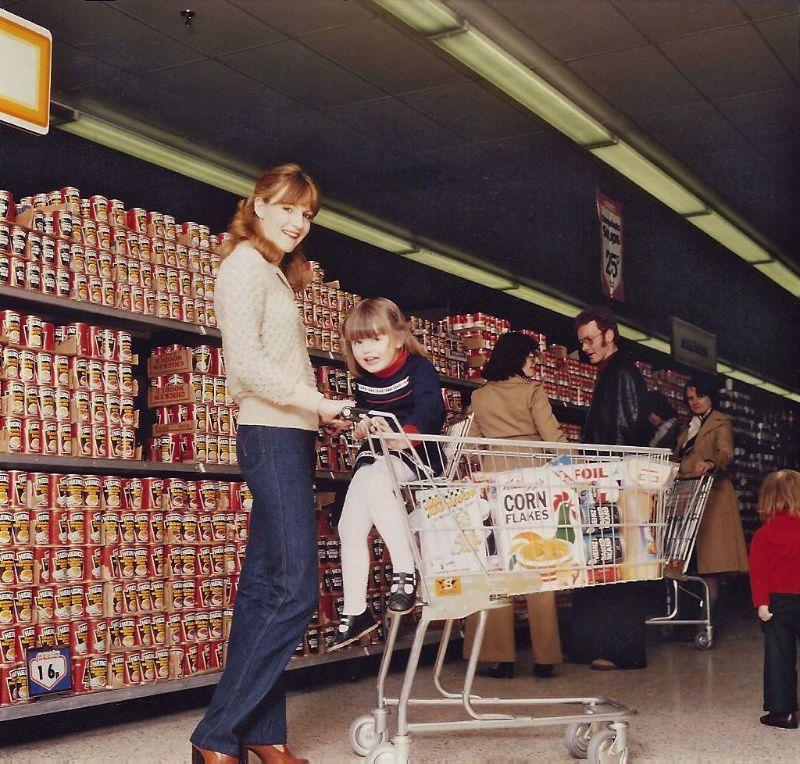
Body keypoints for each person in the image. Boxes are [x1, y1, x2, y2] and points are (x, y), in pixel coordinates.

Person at [191, 164, 353, 764]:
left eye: (306, 214)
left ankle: (263, 734)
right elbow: (248, 366)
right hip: (269, 435)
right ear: (257, 204)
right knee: (294, 591)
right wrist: (316, 402)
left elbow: (282, 363)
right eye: (287, 208)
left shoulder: (272, 273)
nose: (297, 222)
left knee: (264, 590)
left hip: (291, 434)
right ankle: (215, 735)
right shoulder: (243, 267)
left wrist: (319, 413)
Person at [329, 297, 446, 650]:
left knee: (377, 479)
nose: (366, 350)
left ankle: (406, 570)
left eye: (375, 339)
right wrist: (359, 427)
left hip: (416, 455)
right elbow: (366, 418)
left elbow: (431, 408)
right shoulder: (363, 381)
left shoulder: (418, 368)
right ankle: (356, 610)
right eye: (358, 342)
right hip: (378, 456)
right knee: (349, 525)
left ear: (398, 337)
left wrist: (404, 434)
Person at [461, 332, 564, 679]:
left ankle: (499, 657)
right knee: (537, 563)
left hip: (493, 480)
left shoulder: (480, 396)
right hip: (532, 480)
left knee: (497, 565)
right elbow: (554, 440)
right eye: (532, 357)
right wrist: (577, 467)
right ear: (519, 358)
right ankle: (545, 657)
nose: (535, 363)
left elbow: (470, 446)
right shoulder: (533, 392)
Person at [564, 305, 652, 671]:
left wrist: (605, 478)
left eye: (590, 339)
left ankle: (620, 650)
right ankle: (599, 645)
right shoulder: (613, 372)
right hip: (609, 480)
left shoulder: (622, 374)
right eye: (582, 341)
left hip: (614, 482)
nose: (585, 347)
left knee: (616, 565)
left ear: (609, 334)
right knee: (607, 563)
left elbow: (623, 431)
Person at [675, 378, 748, 609]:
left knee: (710, 565)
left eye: (700, 396)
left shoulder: (720, 422)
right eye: (690, 398)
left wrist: (710, 463)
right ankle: (692, 616)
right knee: (690, 562)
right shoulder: (687, 427)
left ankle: (705, 620)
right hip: (688, 496)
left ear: (711, 398)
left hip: (712, 498)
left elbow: (726, 451)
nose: (695, 401)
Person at [749, 470, 800, 730]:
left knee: (779, 656)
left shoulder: (764, 534)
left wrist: (762, 603)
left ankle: (784, 712)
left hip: (778, 602)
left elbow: (759, 573)